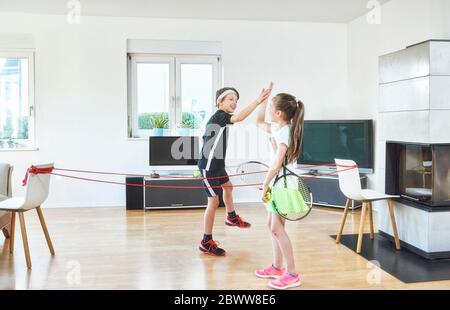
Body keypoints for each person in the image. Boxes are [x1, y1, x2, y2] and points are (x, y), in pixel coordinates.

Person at [197, 84, 273, 256]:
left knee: (228, 187)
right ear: (220, 102)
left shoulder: (222, 118)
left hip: (217, 165)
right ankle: (205, 242)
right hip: (208, 167)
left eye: (236, 100)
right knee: (214, 202)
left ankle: (231, 217)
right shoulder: (220, 116)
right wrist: (258, 101)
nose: (234, 102)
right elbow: (239, 118)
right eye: (231, 99)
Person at [255, 93, 305, 289]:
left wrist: (265, 184)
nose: (268, 113)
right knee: (272, 224)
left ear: (278, 113)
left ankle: (292, 273)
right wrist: (263, 100)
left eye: (270, 109)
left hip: (283, 183)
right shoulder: (278, 127)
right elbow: (258, 121)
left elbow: (277, 162)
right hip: (278, 182)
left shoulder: (284, 132)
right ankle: (277, 267)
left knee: (276, 227)